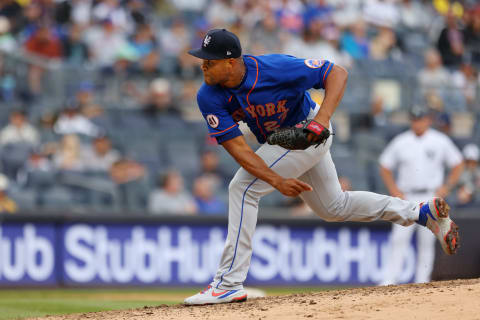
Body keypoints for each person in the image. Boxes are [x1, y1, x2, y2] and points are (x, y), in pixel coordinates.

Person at [183, 28, 460, 305]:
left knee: (242, 189)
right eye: (203, 59)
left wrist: (322, 119)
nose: (203, 65)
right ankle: (420, 212)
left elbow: (336, 73)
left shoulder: (274, 68)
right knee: (333, 207)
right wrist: (276, 180)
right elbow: (239, 149)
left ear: (231, 62)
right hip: (282, 141)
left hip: (309, 128)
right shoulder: (209, 96)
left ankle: (228, 283)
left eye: (210, 60)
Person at [378, 106, 463, 285]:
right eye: (414, 119)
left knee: (427, 242)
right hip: (407, 196)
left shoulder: (440, 141)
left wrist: (446, 187)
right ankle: (389, 281)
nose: (417, 123)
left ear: (428, 120)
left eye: (421, 119)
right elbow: (384, 165)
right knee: (399, 239)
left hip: (431, 196)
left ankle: (422, 282)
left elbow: (458, 163)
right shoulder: (401, 141)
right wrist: (394, 189)